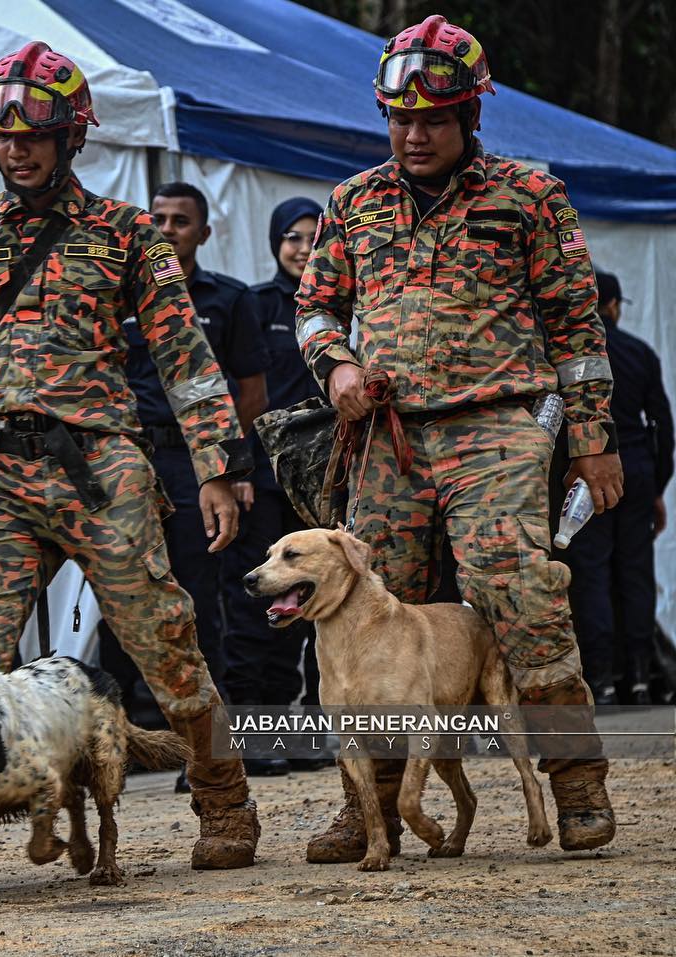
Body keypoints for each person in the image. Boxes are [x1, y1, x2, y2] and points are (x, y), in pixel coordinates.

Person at [0, 42, 260, 892]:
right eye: (3, 135)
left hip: (99, 466)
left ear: (72, 135)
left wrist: (219, 465)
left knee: (168, 645)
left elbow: (186, 355)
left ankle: (224, 796)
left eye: (35, 133)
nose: (18, 149)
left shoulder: (128, 234)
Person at [296, 15, 622, 862]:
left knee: (520, 589)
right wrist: (335, 364)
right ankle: (367, 806)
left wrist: (591, 439)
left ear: (472, 116)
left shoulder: (531, 196)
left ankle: (577, 781)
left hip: (498, 426)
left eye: (433, 119)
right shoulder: (353, 201)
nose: (413, 133)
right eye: (399, 119)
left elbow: (576, 325)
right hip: (389, 435)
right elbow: (316, 305)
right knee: (364, 605)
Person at [97, 181, 268, 700]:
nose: (168, 230)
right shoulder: (112, 292)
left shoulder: (230, 299)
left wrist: (218, 462)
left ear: (204, 232)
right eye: (160, 219)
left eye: (181, 221)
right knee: (119, 592)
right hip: (122, 460)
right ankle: (128, 730)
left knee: (195, 595)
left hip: (192, 467)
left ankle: (201, 734)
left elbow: (253, 393)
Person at [225, 198, 330, 771]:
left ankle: (309, 732)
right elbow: (240, 398)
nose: (302, 248)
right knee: (257, 610)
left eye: (315, 237)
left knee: (320, 609)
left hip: (325, 488)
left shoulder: (346, 310)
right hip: (264, 485)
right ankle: (254, 736)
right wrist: (237, 470)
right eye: (291, 236)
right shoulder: (255, 304)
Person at [564, 271, 673, 706]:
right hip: (636, 470)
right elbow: (663, 426)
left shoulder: (567, 356)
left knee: (591, 573)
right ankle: (642, 676)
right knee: (635, 573)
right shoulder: (639, 352)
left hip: (588, 471)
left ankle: (602, 678)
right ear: (609, 305)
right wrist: (657, 485)